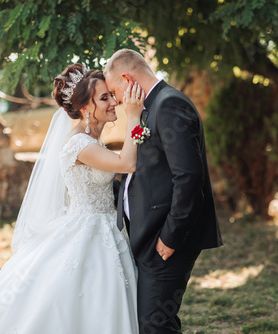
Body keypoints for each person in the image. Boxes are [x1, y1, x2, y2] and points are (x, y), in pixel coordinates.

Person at [0, 63, 145, 334]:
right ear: (84, 108)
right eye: (104, 98)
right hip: (88, 232)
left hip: (103, 229)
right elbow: (127, 164)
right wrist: (135, 116)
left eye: (111, 96)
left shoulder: (91, 140)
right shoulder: (80, 144)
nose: (114, 102)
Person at [104, 49, 223, 334]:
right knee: (157, 321)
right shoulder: (150, 107)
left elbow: (189, 178)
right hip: (149, 238)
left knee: (153, 324)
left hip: (167, 240)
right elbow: (151, 175)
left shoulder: (169, 105)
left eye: (113, 91)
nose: (116, 100)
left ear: (126, 78)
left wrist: (171, 237)